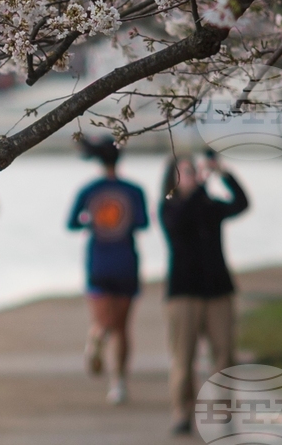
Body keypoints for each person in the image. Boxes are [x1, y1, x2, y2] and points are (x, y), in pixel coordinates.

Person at [159, 152, 249, 436]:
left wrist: (222, 172)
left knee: (224, 354)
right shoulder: (169, 208)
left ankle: (223, 413)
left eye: (194, 171)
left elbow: (242, 203)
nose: (193, 176)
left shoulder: (209, 205)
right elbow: (180, 221)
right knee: (183, 358)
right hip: (183, 293)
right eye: (186, 172)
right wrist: (191, 190)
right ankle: (181, 412)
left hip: (217, 290)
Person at [66, 137, 149, 406]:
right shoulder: (134, 190)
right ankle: (119, 383)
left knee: (103, 322)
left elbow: (71, 224)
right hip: (126, 262)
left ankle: (95, 339)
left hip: (98, 263)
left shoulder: (89, 190)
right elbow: (142, 223)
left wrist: (92, 221)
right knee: (123, 328)